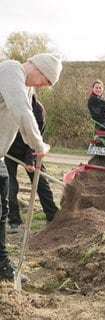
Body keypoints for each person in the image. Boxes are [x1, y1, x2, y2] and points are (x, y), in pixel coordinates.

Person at [0, 53, 62, 282]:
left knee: (3, 210)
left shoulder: (27, 88)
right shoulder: (10, 70)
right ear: (39, 69)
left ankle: (1, 262)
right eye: (46, 81)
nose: (44, 87)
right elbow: (21, 112)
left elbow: (28, 120)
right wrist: (39, 144)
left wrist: (33, 148)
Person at [5, 93, 59, 233]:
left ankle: (52, 216)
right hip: (9, 151)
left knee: (41, 182)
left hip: (31, 149)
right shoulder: (9, 106)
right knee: (10, 187)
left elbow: (37, 135)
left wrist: (30, 160)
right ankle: (14, 221)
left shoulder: (38, 110)